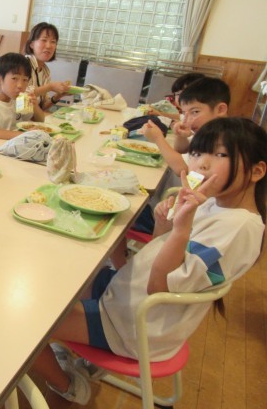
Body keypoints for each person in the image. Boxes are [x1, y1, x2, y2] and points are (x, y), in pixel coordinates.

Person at [31, 117, 267, 405]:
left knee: (31, 324)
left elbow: (159, 286)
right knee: (65, 271)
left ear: (257, 171)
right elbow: (161, 256)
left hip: (134, 325)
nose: (201, 164)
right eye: (196, 152)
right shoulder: (215, 205)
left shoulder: (240, 228)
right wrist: (165, 227)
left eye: (219, 154)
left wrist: (180, 230)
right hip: (128, 298)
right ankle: (87, 360)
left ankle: (69, 385)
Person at [129, 76, 231, 237]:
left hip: (170, 213)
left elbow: (182, 169)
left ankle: (121, 254)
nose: (187, 120)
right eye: (184, 114)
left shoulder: (219, 140)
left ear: (220, 109)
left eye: (195, 112)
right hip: (171, 204)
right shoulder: (209, 131)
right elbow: (181, 150)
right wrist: (181, 135)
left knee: (123, 209)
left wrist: (158, 138)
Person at [0, 52, 44, 142]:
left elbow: (40, 120)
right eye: (14, 78)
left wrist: (35, 106)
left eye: (25, 80)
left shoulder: (17, 100)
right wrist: (21, 135)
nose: (20, 85)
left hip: (14, 145)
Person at [23, 22, 71, 111]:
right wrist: (50, 87)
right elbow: (21, 96)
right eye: (44, 40)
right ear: (31, 44)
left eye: (53, 42)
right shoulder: (22, 64)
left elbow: (42, 107)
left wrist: (58, 96)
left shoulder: (45, 71)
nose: (48, 46)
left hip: (32, 118)